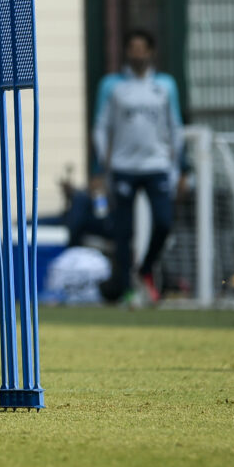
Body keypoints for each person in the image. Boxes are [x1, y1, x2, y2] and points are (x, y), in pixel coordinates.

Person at [93, 28, 185, 305]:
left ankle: (146, 268)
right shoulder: (112, 86)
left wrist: (178, 166)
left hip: (157, 165)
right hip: (123, 167)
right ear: (126, 52)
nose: (137, 54)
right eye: (132, 48)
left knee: (164, 222)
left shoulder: (165, 85)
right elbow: (101, 127)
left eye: (142, 48)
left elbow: (175, 127)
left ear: (151, 51)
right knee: (123, 232)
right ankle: (126, 289)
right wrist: (103, 164)